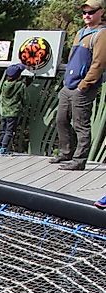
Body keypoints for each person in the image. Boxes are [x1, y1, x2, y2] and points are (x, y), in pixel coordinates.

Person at [51, 0, 106, 170]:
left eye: (91, 12)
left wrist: (84, 84)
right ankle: (65, 153)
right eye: (84, 13)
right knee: (61, 120)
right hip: (68, 85)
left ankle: (79, 160)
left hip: (82, 88)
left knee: (80, 125)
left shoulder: (101, 34)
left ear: (101, 12)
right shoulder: (81, 32)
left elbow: (98, 63)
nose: (86, 16)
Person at [0, 63, 28, 155]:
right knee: (9, 131)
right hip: (13, 112)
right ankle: (4, 148)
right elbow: (25, 98)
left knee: (2, 130)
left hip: (4, 111)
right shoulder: (21, 85)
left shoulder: (5, 84)